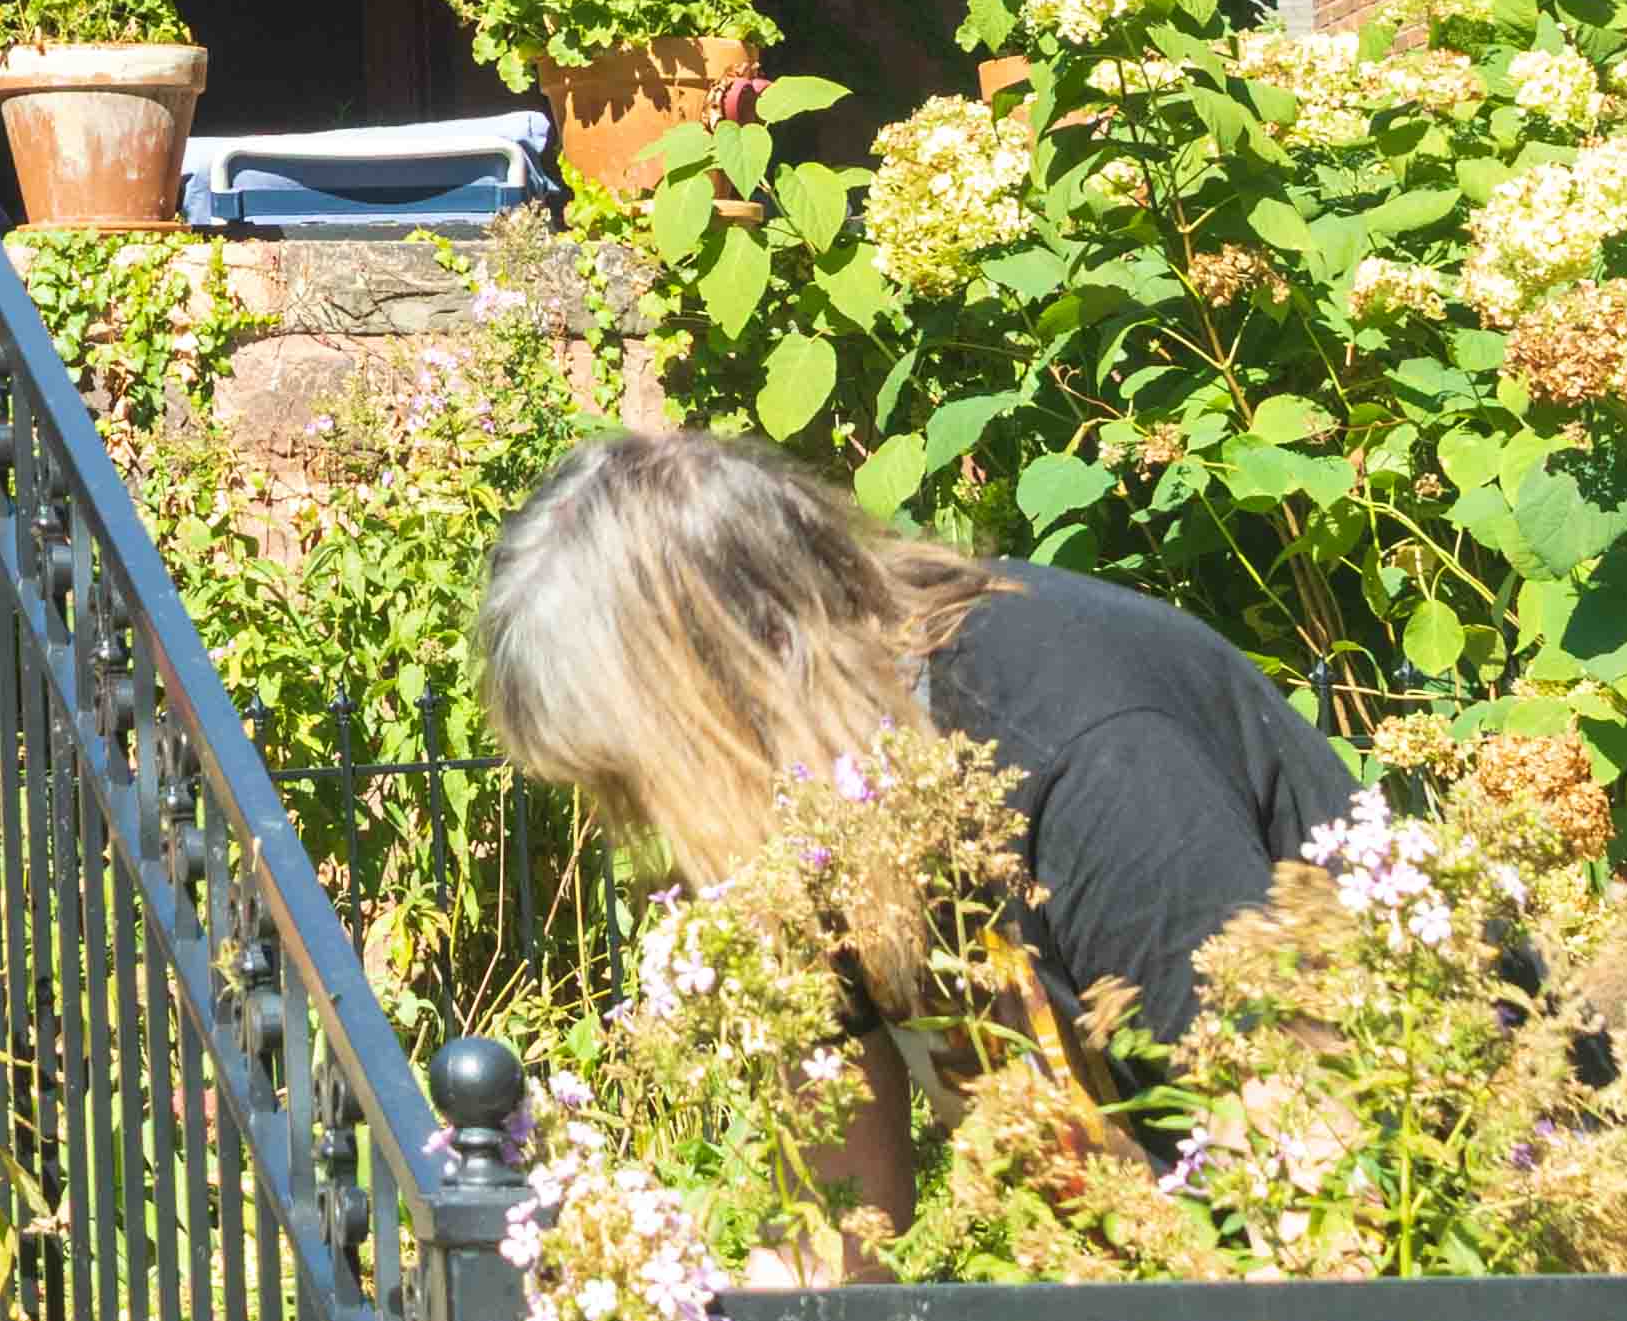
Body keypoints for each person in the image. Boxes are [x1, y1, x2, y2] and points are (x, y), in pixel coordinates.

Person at [478, 429, 1353, 1202]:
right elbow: (846, 1231)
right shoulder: (825, 791)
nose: (647, 824)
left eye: (641, 777)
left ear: (745, 682)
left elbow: (1322, 1173)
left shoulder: (1083, 755)